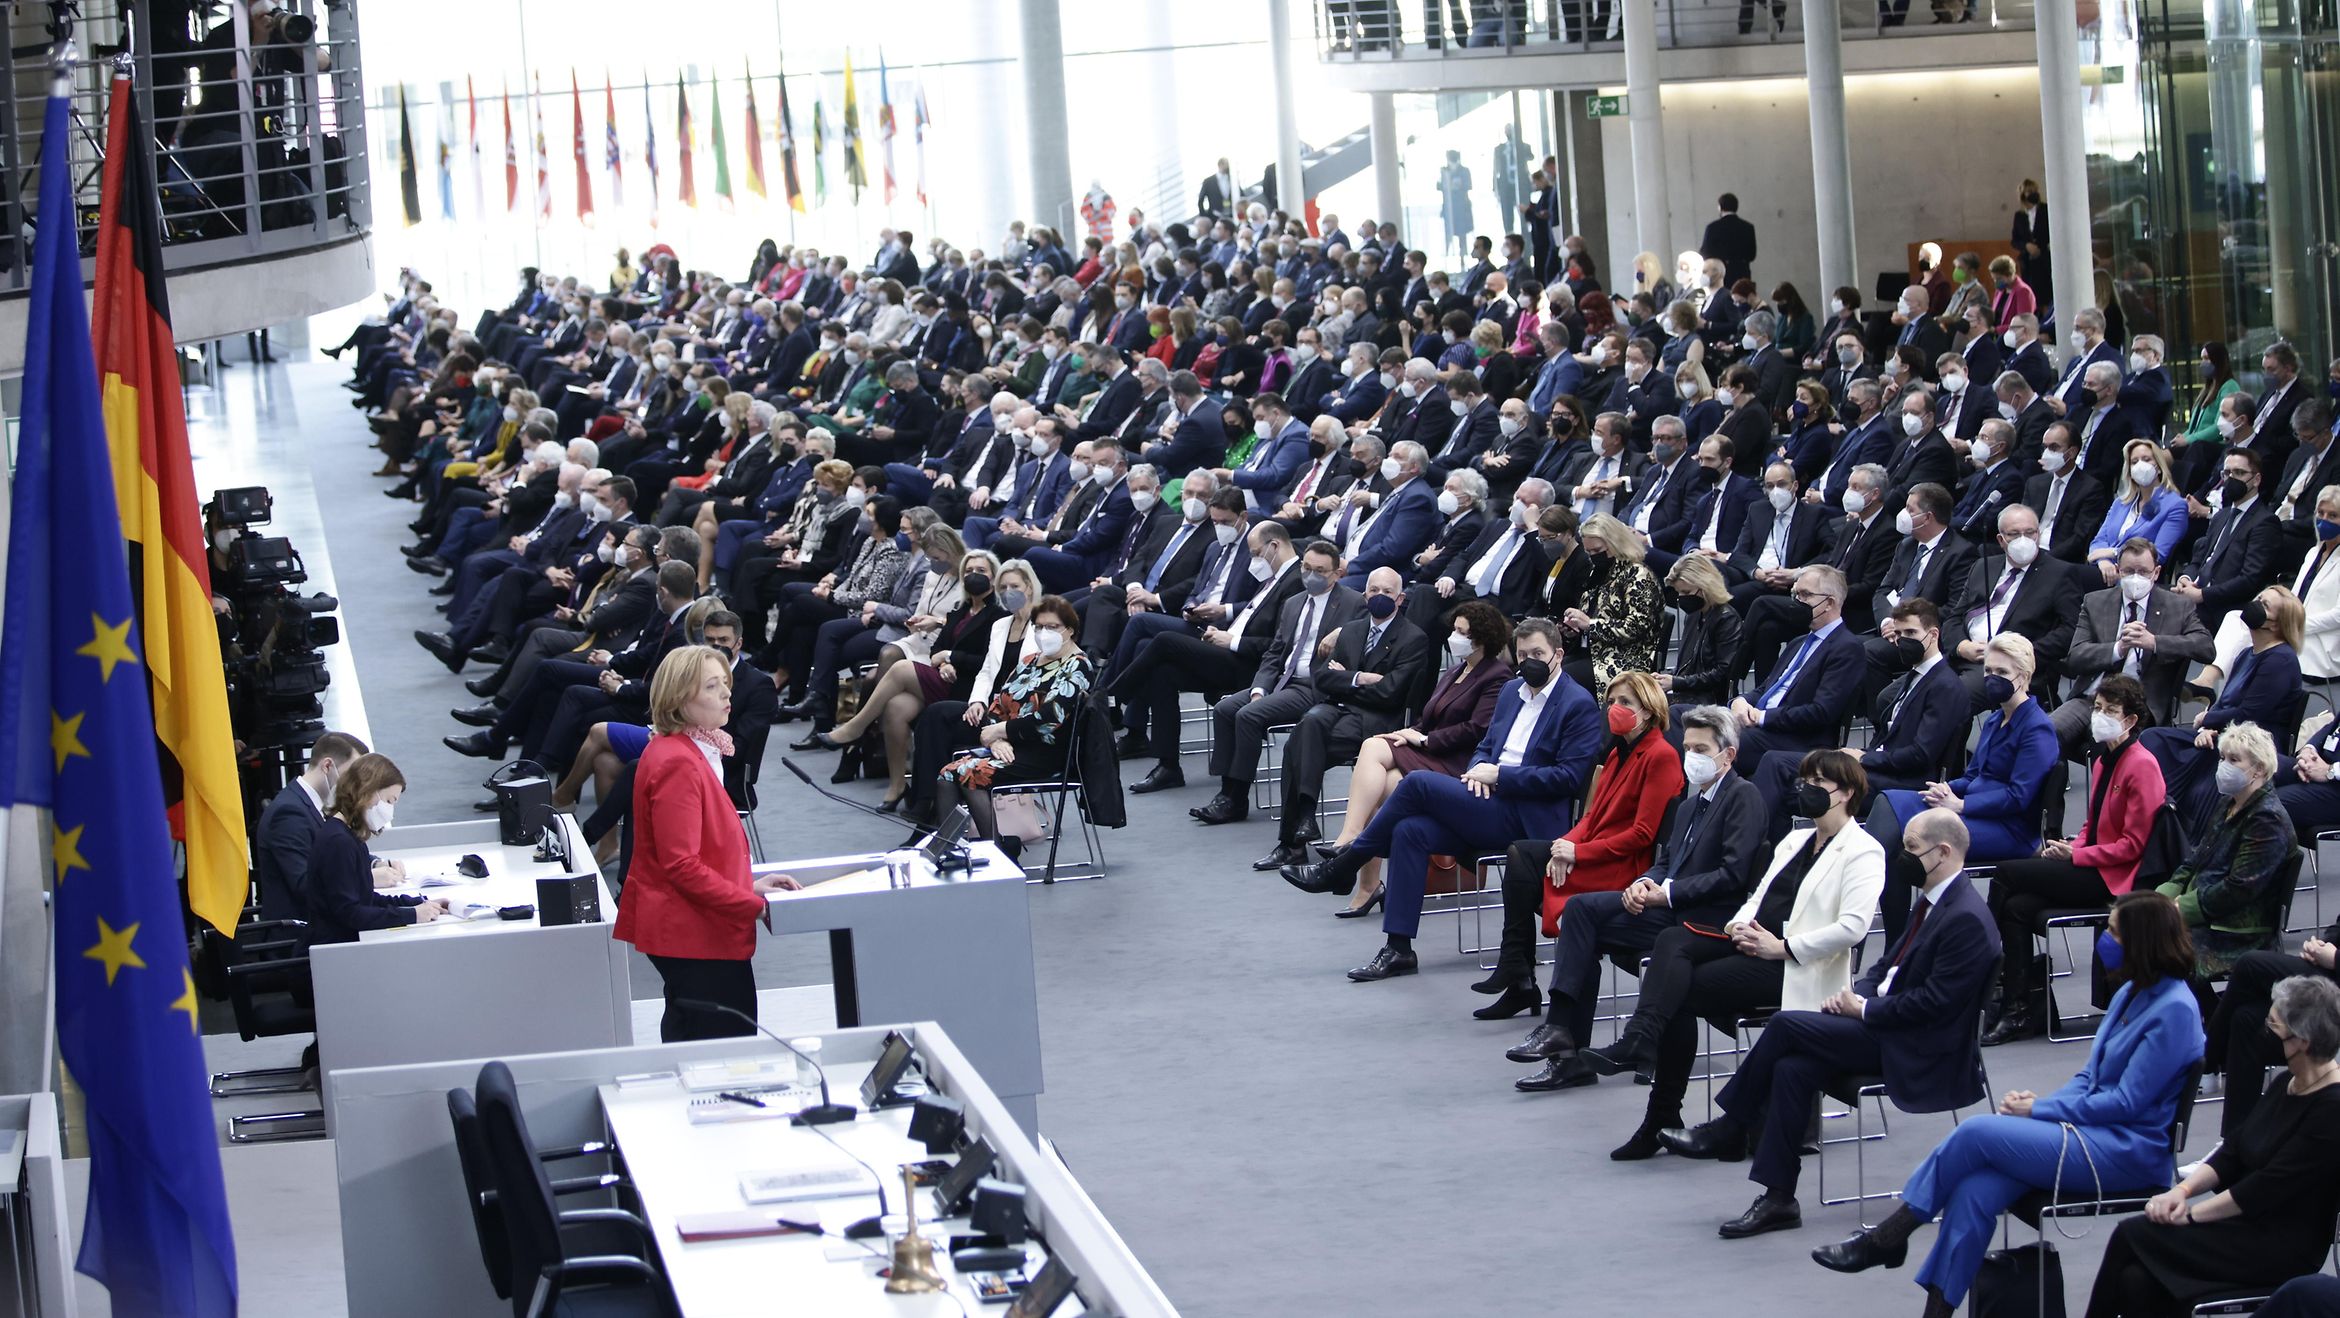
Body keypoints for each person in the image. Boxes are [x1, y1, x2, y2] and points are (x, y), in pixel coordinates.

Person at [1812, 892, 2205, 1318]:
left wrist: (2040, 1113)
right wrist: (2043, 1103)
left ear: (2142, 942)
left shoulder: (2175, 1010)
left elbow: (2126, 1103)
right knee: (1974, 1190)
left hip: (2128, 1152)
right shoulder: (2132, 990)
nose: (2105, 940)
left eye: (2113, 932)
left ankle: (1889, 1236)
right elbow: (2090, 1079)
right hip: (2092, 1132)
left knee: (1977, 1132)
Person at [1659, 808, 2000, 1242]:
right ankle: (1779, 1196)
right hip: (1888, 1025)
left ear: (1944, 852)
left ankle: (1730, 1125)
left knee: (1784, 1026)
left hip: (1920, 1046)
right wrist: (1860, 993)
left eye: (1912, 848)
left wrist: (1866, 1011)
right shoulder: (1936, 901)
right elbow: (1887, 964)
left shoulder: (1966, 916)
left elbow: (1936, 1006)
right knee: (1792, 1068)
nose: (1904, 855)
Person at [1283, 619, 1603, 980]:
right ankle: (1398, 949)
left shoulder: (1578, 703)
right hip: (1486, 799)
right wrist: (1480, 769)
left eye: (1538, 654)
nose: (1530, 660)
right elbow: (1485, 747)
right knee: (1410, 830)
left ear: (1558, 655)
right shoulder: (1513, 691)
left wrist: (1500, 776)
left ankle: (1343, 865)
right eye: (1524, 654)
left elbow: (1568, 778)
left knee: (1418, 783)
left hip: (1528, 818)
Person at [2086, 975, 2340, 1318]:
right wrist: (2183, 1191)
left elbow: (2264, 1189)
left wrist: (2190, 1216)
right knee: (2137, 1281)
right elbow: (2234, 1150)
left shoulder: (2331, 1110)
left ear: (2302, 1041)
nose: (2263, 1030)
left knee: (2133, 1234)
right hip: (2242, 1226)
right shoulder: (2287, 1083)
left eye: (2273, 1025)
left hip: (2279, 1246)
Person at [1478, 673, 1685, 1036]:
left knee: (1529, 867)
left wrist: (1579, 852)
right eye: (1612, 701)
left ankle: (1520, 974)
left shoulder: (1661, 755)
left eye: (1626, 703)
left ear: (1649, 712)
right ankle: (1516, 965)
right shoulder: (1619, 752)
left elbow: (1641, 835)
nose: (1615, 709)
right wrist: (1564, 846)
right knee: (1522, 854)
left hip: (1622, 866)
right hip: (1594, 849)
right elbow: (1591, 817)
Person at [613, 646, 801, 1041]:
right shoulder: (677, 762)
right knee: (719, 1046)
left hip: (694, 926)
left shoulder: (690, 748)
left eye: (725, 684)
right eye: (712, 687)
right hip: (691, 934)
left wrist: (746, 885)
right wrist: (752, 904)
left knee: (695, 1035)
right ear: (680, 698)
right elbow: (681, 865)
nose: (727, 695)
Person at [1295, 601, 1514, 915]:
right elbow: (1432, 715)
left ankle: (1351, 852)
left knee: (1380, 772)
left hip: (1457, 762)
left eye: (1462, 632)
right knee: (1378, 764)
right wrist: (1409, 732)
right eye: (1455, 629)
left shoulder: (1496, 676)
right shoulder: (1456, 669)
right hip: (1430, 750)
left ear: (1481, 639)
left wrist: (1424, 740)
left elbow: (1476, 730)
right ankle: (1361, 873)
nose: (1454, 636)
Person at [1984, 676, 2168, 1044]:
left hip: (2115, 876)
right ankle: (2018, 1007)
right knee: (2018, 907)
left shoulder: (2142, 764)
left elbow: (2135, 845)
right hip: (2089, 862)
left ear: (2130, 721)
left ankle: (1985, 967)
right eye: (2097, 708)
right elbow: (2093, 823)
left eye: (2109, 711)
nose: (2099, 716)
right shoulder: (2102, 760)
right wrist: (2071, 845)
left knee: (2006, 872)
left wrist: (2080, 854)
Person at [1866, 633, 2058, 946]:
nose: (1993, 679)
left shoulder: (2037, 728)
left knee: (1904, 841)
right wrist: (1945, 789)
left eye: (2002, 673)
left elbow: (2019, 797)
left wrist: (1961, 806)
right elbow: (1973, 776)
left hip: (2010, 828)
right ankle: (1898, 940)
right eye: (1989, 672)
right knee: (1891, 801)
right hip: (1972, 810)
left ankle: (1887, 936)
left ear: (2023, 677)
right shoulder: (1996, 719)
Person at [1249, 569, 1434, 873]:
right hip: (1335, 711)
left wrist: (1345, 679)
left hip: (1377, 722)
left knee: (1296, 747)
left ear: (1400, 598)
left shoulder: (1413, 638)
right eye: (1373, 590)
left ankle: (1293, 842)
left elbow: (1390, 694)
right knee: (1308, 725)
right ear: (1364, 596)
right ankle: (1301, 826)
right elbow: (1322, 679)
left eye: (1387, 592)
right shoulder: (1351, 630)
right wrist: (1362, 678)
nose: (1379, 596)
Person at [806, 549, 1009, 810]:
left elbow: (990, 661)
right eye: (968, 571)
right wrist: (943, 660)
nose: (973, 576)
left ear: (993, 577)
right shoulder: (960, 610)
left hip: (971, 690)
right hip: (946, 677)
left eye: (981, 571)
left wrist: (952, 658)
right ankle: (897, 786)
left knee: (901, 667)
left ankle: (855, 728)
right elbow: (937, 650)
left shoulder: (998, 616)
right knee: (896, 707)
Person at [934, 595, 1096, 848]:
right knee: (947, 774)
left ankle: (996, 852)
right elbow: (998, 705)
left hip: (1048, 753)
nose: (1044, 633)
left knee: (969, 773)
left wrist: (1001, 731)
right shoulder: (1030, 661)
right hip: (1013, 748)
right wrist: (997, 738)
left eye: (1052, 627)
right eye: (1039, 627)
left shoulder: (1078, 666)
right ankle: (949, 848)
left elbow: (1049, 719)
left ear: (1070, 630)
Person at [2140, 586, 2305, 821]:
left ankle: (2167, 819)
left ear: (2276, 624)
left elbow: (2252, 715)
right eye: (2258, 598)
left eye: (2265, 605)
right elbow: (2226, 701)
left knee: (2163, 745)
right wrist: (2208, 727)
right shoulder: (2247, 653)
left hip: (2255, 742)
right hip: (2225, 730)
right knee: (2153, 739)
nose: (2256, 604)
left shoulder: (2280, 659)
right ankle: (2158, 817)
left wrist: (2209, 720)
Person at [2157, 721, 2298, 982]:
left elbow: (2239, 888)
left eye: (2234, 760)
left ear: (2259, 769)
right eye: (2222, 758)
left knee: (2152, 947)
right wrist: (2163, 896)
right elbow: (2195, 858)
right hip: (2209, 913)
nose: (2223, 766)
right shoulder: (2228, 803)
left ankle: (2201, 1019)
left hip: (2235, 931)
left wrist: (2181, 908)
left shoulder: (2267, 819)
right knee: (2130, 925)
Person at [297, 752, 444, 945]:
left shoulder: (347, 835)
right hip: (334, 951)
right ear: (368, 791)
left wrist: (417, 903)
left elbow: (365, 898)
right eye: (389, 801)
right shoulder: (338, 842)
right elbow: (351, 913)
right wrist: (412, 915)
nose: (389, 811)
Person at [254, 730, 374, 924]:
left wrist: (374, 864)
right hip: (300, 934)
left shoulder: (315, 804)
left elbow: (336, 855)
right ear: (327, 766)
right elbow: (305, 885)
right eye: (351, 776)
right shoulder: (288, 814)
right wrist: (368, 877)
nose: (356, 786)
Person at [1558, 513, 1664, 692]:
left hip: (1625, 659)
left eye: (1598, 551)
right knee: (1548, 670)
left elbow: (1637, 627)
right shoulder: (1598, 572)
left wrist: (1590, 625)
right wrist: (1573, 630)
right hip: (1591, 652)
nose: (1592, 556)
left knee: (1561, 680)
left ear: (1615, 544)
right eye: (1588, 552)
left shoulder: (1638, 575)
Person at [1660, 554, 1743, 707]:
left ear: (1705, 587)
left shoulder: (1727, 618)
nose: (1680, 598)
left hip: (1712, 702)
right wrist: (1665, 678)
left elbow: (1722, 674)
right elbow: (1687, 666)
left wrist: (1676, 683)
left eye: (1686, 592)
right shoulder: (1693, 616)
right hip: (1687, 696)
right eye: (1679, 592)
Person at [1700, 193, 1758, 289]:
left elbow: (1705, 252)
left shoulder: (1713, 227)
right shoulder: (1748, 227)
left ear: (1720, 207)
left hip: (1720, 275)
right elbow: (1752, 255)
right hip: (1742, 275)